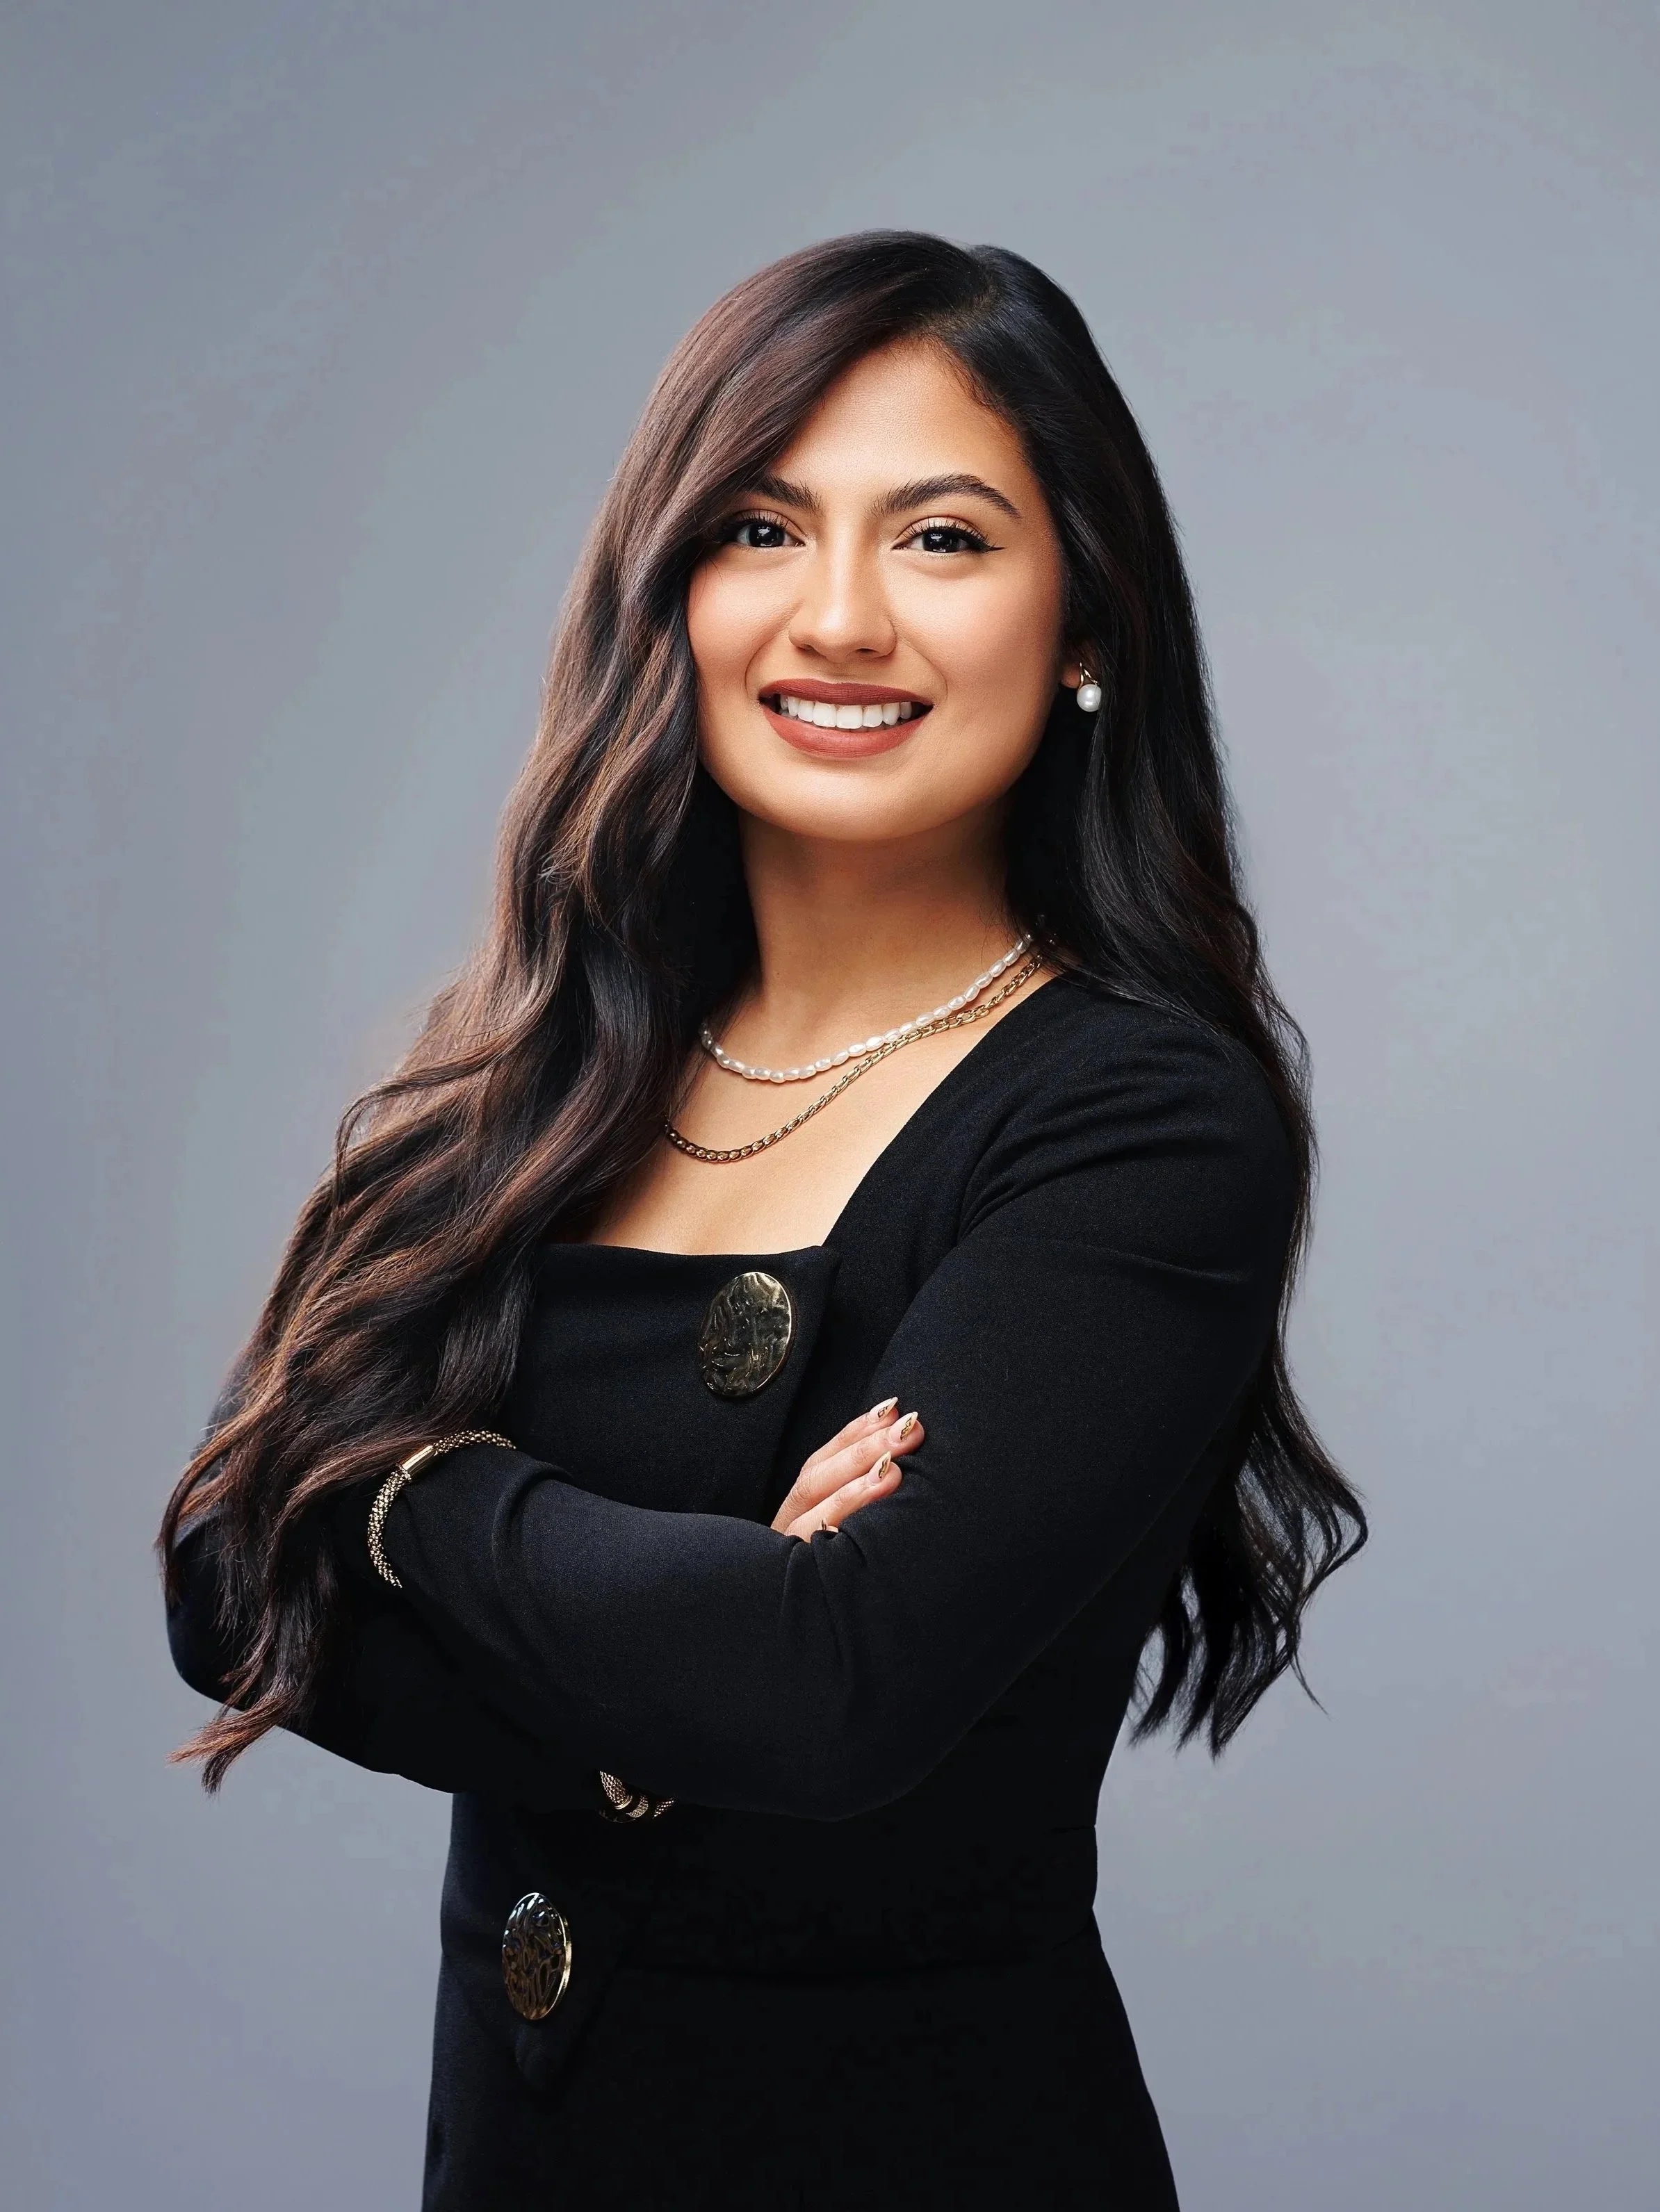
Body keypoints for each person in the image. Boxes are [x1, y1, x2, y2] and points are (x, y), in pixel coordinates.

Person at [161, 231, 1365, 2209]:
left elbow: (822, 1689)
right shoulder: (527, 1068)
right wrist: (677, 1619)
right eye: (757, 527)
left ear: (1085, 625)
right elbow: (225, 1566)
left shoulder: (1137, 1118)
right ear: (673, 595)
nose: (839, 617)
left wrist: (396, 1495)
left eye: (944, 539)